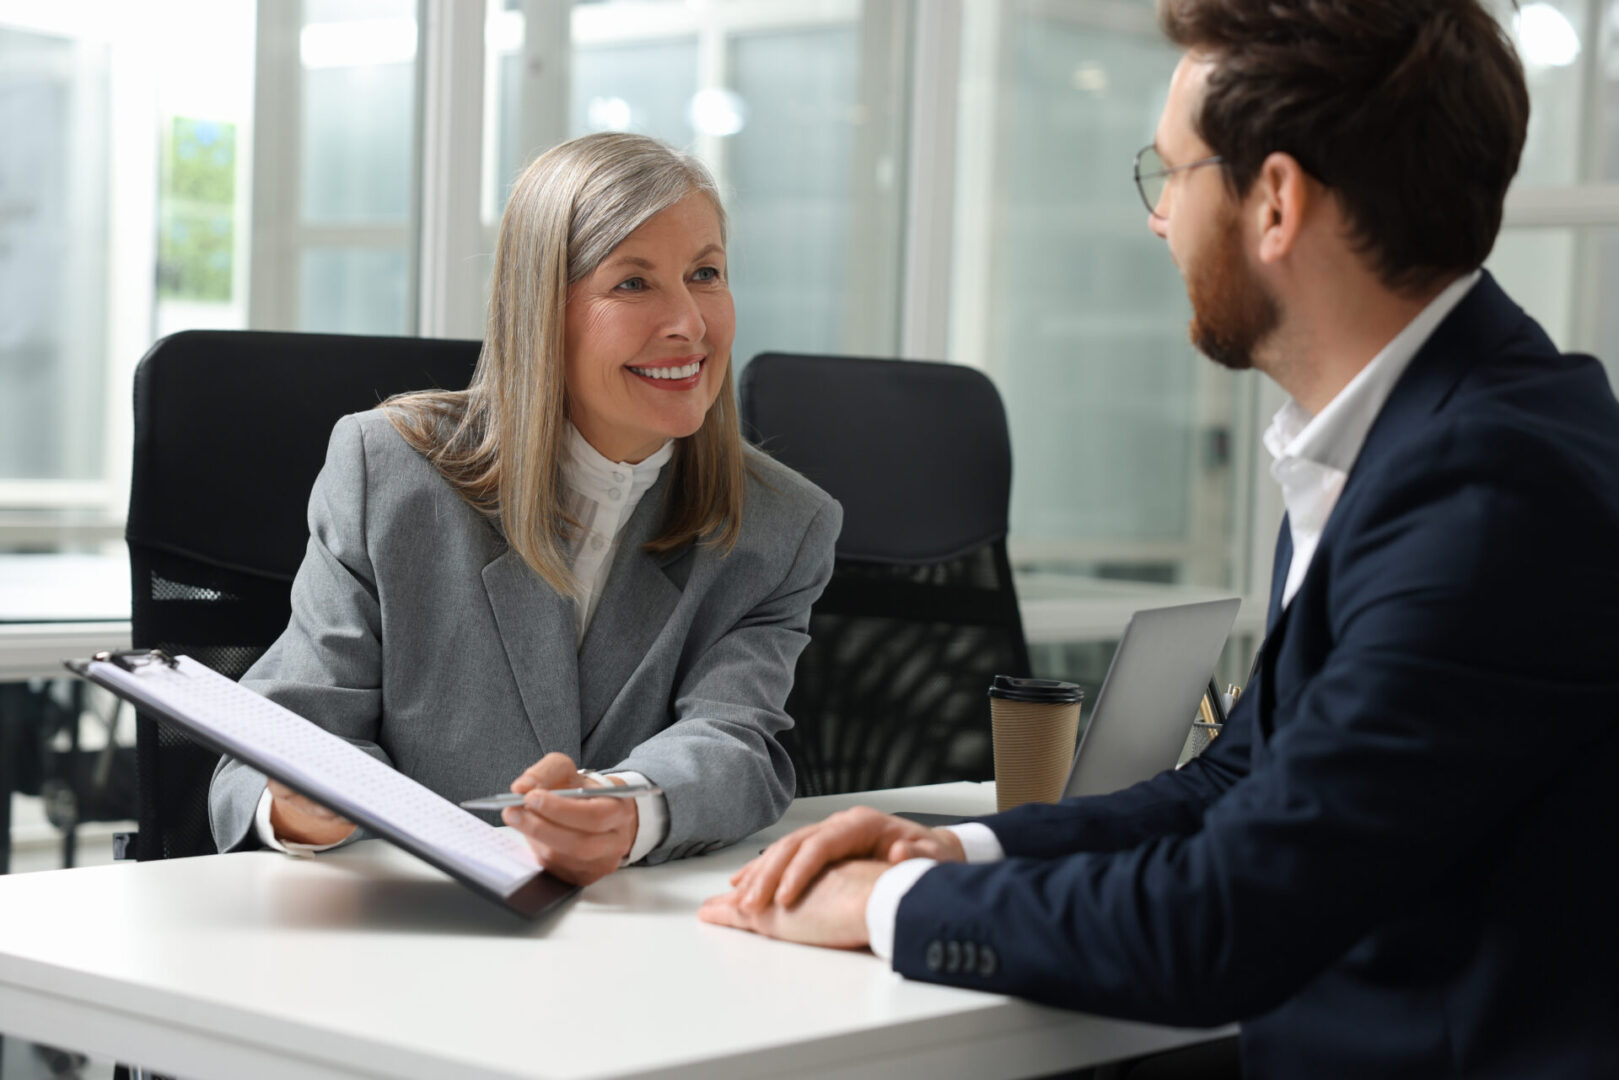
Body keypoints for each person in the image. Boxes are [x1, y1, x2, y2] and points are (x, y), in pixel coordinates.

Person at [699, 2, 1619, 1075]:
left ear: (1273, 200)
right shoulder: (1408, 440)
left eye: (1170, 173)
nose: (1157, 219)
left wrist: (891, 902)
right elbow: (1235, 784)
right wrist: (955, 845)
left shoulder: (1488, 493)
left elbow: (1222, 921)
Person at [209, 132, 841, 886]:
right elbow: (275, 741)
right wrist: (299, 805)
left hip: (631, 942)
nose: (690, 324)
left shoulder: (780, 525)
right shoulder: (392, 472)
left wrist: (624, 807)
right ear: (542, 309)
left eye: (704, 273)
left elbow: (736, 741)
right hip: (396, 929)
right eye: (633, 284)